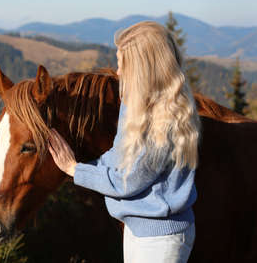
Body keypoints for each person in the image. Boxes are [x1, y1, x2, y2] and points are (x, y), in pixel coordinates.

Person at [48, 21, 201, 263]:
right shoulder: (134, 105)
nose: (117, 73)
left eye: (122, 65)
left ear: (142, 68)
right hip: (136, 228)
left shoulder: (165, 121)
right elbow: (118, 155)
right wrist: (85, 167)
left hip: (161, 239)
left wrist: (74, 169)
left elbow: (127, 182)